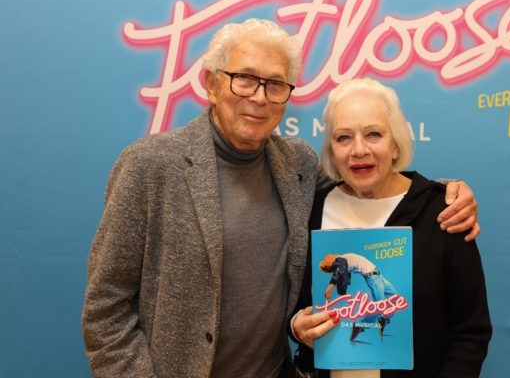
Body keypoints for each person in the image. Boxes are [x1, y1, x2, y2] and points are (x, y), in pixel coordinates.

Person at [82, 19, 480, 378]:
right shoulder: (150, 165)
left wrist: (445, 193)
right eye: (244, 78)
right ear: (211, 83)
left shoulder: (298, 165)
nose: (259, 97)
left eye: (275, 84)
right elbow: (106, 308)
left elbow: (369, 180)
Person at [292, 78, 492, 378]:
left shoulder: (443, 213)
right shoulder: (310, 210)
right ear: (332, 150)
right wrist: (297, 327)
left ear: (396, 143)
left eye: (373, 134)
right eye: (343, 137)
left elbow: (470, 332)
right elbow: (290, 305)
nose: (359, 150)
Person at [318, 253, 398, 340]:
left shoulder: (341, 260)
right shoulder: (343, 263)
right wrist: (334, 287)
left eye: (330, 269)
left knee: (395, 299)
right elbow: (339, 274)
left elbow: (338, 272)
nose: (332, 270)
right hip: (374, 278)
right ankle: (360, 324)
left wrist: (330, 287)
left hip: (379, 276)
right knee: (379, 306)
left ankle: (383, 319)